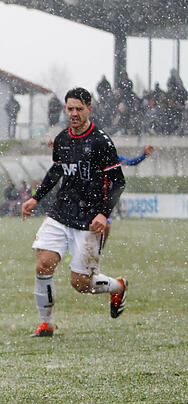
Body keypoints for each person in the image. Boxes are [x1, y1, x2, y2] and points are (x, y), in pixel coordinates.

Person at [21, 87, 127, 338]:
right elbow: (56, 171)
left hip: (89, 220)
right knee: (43, 264)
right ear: (65, 109)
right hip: (61, 212)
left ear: (90, 109)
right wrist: (36, 198)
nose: (74, 113)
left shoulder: (101, 141)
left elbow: (118, 182)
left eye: (80, 108)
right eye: (70, 108)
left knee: (81, 284)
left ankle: (118, 286)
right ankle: (46, 324)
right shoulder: (62, 139)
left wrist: (103, 213)